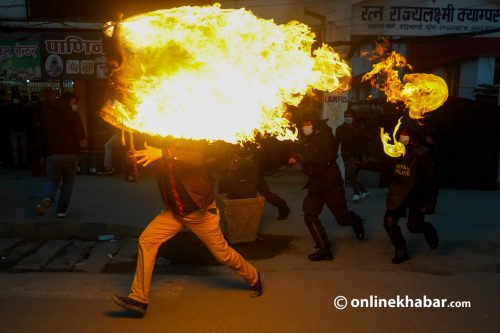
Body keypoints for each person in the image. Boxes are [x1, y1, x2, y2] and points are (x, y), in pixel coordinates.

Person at [112, 139, 263, 316]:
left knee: (223, 255)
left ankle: (253, 276)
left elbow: (195, 159)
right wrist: (133, 158)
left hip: (201, 215)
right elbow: (147, 164)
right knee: (147, 240)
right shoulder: (161, 149)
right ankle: (139, 299)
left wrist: (163, 154)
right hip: (174, 214)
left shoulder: (193, 144)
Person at [354, 127, 439, 264]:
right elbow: (383, 166)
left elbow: (431, 180)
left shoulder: (422, 154)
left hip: (417, 194)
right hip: (399, 192)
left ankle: (429, 231)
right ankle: (401, 251)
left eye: (405, 138)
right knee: (389, 221)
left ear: (413, 140)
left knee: (414, 226)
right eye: (400, 137)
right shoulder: (396, 152)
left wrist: (429, 202)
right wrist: (363, 165)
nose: (401, 140)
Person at [288, 117, 365, 261]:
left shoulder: (325, 136)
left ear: (315, 124)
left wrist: (300, 156)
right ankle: (324, 249)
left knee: (342, 219)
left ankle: (356, 222)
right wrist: (294, 153)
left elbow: (325, 157)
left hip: (331, 185)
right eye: (303, 124)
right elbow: (300, 151)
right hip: (315, 186)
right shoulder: (307, 138)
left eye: (308, 123)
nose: (306, 127)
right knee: (310, 215)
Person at [35, 92, 86, 218]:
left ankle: (47, 198)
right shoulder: (73, 114)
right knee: (68, 182)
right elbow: (81, 135)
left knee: (52, 180)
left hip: (52, 154)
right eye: (74, 102)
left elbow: (41, 136)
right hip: (71, 153)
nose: (75, 105)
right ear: (70, 101)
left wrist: (41, 154)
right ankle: (61, 210)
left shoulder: (46, 114)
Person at [335, 110, 368, 202]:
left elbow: (364, 143)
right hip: (345, 155)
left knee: (350, 173)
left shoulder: (359, 129)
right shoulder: (340, 129)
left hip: (356, 156)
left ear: (354, 118)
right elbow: (337, 142)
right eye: (346, 116)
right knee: (352, 175)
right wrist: (334, 153)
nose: (348, 118)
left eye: (350, 116)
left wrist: (366, 155)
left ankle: (356, 193)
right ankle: (364, 190)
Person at [6, 92, 30, 169]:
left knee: (17, 148)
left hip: (16, 129)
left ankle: (18, 163)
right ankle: (22, 162)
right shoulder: (23, 107)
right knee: (21, 148)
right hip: (18, 129)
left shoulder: (10, 107)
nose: (16, 99)